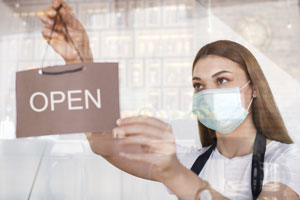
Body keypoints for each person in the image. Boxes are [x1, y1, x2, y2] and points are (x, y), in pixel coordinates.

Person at [38, 0, 300, 199]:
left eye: (222, 80)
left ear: (252, 88)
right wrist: (80, 61)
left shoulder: (288, 159)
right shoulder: (190, 162)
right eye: (199, 85)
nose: (208, 93)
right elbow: (101, 142)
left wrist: (174, 173)